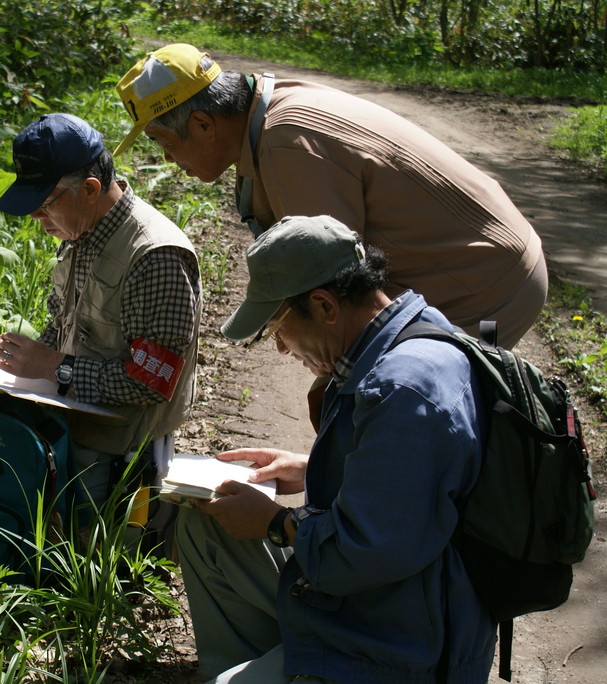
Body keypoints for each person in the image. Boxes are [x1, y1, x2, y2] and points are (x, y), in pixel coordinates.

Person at [175, 215, 497, 683]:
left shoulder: (401, 388)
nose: (282, 349)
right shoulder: (414, 325)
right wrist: (311, 469)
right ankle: (280, 664)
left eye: (278, 328)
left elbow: (365, 554)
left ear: (325, 305)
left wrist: (277, 522)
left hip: (403, 645)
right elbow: (409, 486)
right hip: (387, 600)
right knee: (207, 529)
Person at [113, 43, 546, 350]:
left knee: (386, 404)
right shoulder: (270, 113)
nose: (167, 159)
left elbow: (338, 293)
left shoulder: (286, 144)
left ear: (205, 125)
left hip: (484, 283)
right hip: (490, 264)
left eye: (162, 141)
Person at [0, 112, 203, 523]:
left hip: (121, 453)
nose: (37, 220)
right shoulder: (81, 232)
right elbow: (65, 323)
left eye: (45, 205)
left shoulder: (156, 257)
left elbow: (152, 382)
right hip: (70, 425)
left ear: (89, 189)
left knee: (96, 563)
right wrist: (21, 359)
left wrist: (54, 367)